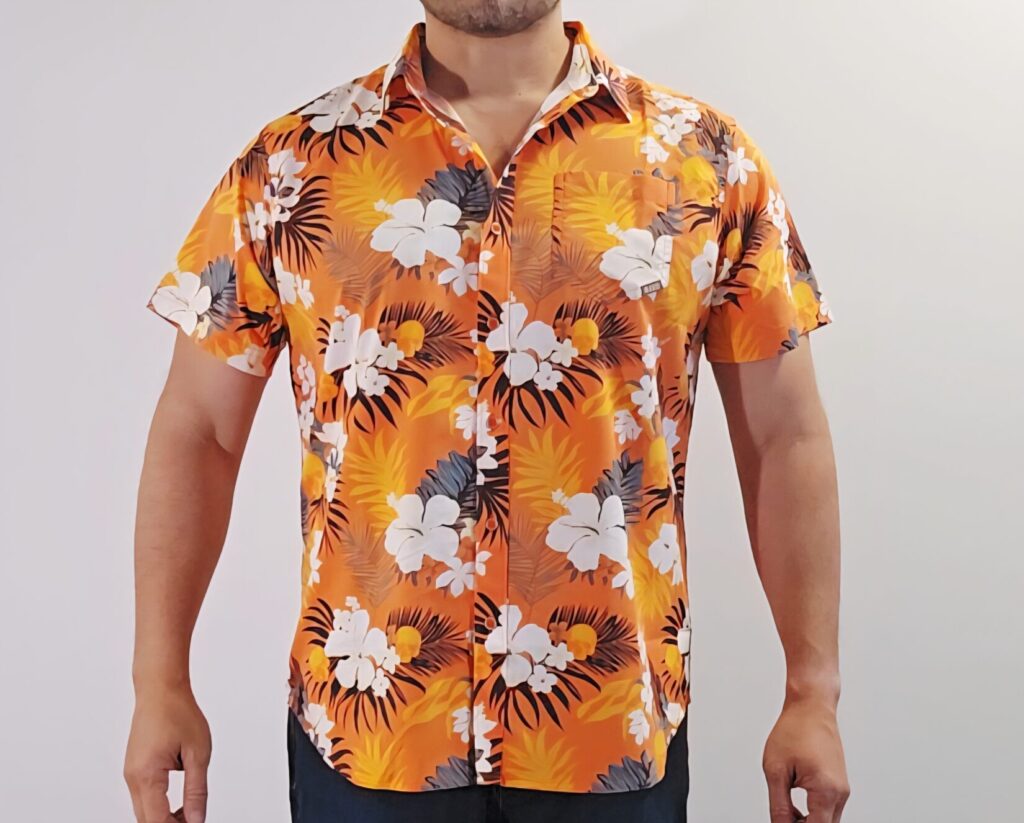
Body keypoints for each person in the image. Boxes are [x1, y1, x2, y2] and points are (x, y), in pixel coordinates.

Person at [123, 2, 849, 821]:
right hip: (369, 733)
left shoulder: (706, 160)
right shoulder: (292, 165)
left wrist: (810, 692)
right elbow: (201, 430)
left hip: (609, 732)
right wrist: (161, 682)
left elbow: (785, 438)